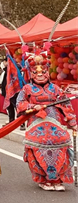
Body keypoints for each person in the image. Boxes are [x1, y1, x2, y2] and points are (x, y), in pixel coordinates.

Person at [16, 49, 77, 191]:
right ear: (31, 73)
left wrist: (72, 122)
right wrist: (33, 106)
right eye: (36, 72)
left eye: (42, 72)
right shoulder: (26, 88)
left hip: (55, 122)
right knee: (38, 150)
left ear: (47, 72)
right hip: (36, 124)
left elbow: (66, 104)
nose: (40, 75)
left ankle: (57, 179)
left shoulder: (55, 88)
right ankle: (43, 179)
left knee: (61, 148)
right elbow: (19, 104)